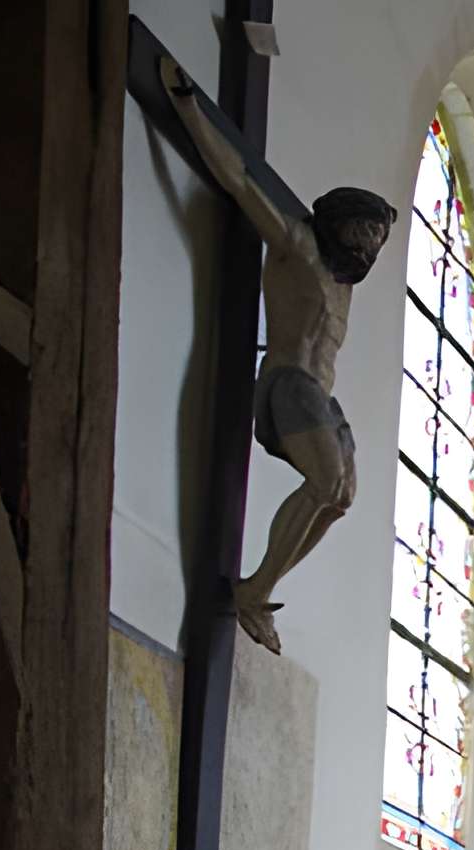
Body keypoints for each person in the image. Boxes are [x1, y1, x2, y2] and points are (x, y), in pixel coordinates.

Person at [161, 52, 399, 654]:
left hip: (321, 393)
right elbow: (239, 180)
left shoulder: (343, 287)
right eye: (365, 232)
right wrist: (189, 107)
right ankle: (255, 590)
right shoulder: (297, 247)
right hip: (287, 381)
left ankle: (259, 589)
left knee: (342, 496)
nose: (371, 248)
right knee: (324, 482)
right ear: (340, 224)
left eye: (379, 239)